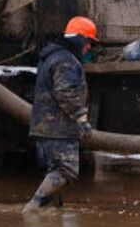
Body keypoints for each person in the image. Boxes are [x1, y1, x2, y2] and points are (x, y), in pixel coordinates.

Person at [23, 16, 97, 214]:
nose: (89, 47)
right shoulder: (66, 61)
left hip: (44, 128)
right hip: (59, 128)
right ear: (80, 39)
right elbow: (66, 93)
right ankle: (33, 208)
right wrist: (82, 119)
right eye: (88, 41)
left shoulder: (51, 56)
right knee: (65, 170)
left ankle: (51, 221)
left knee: (54, 173)